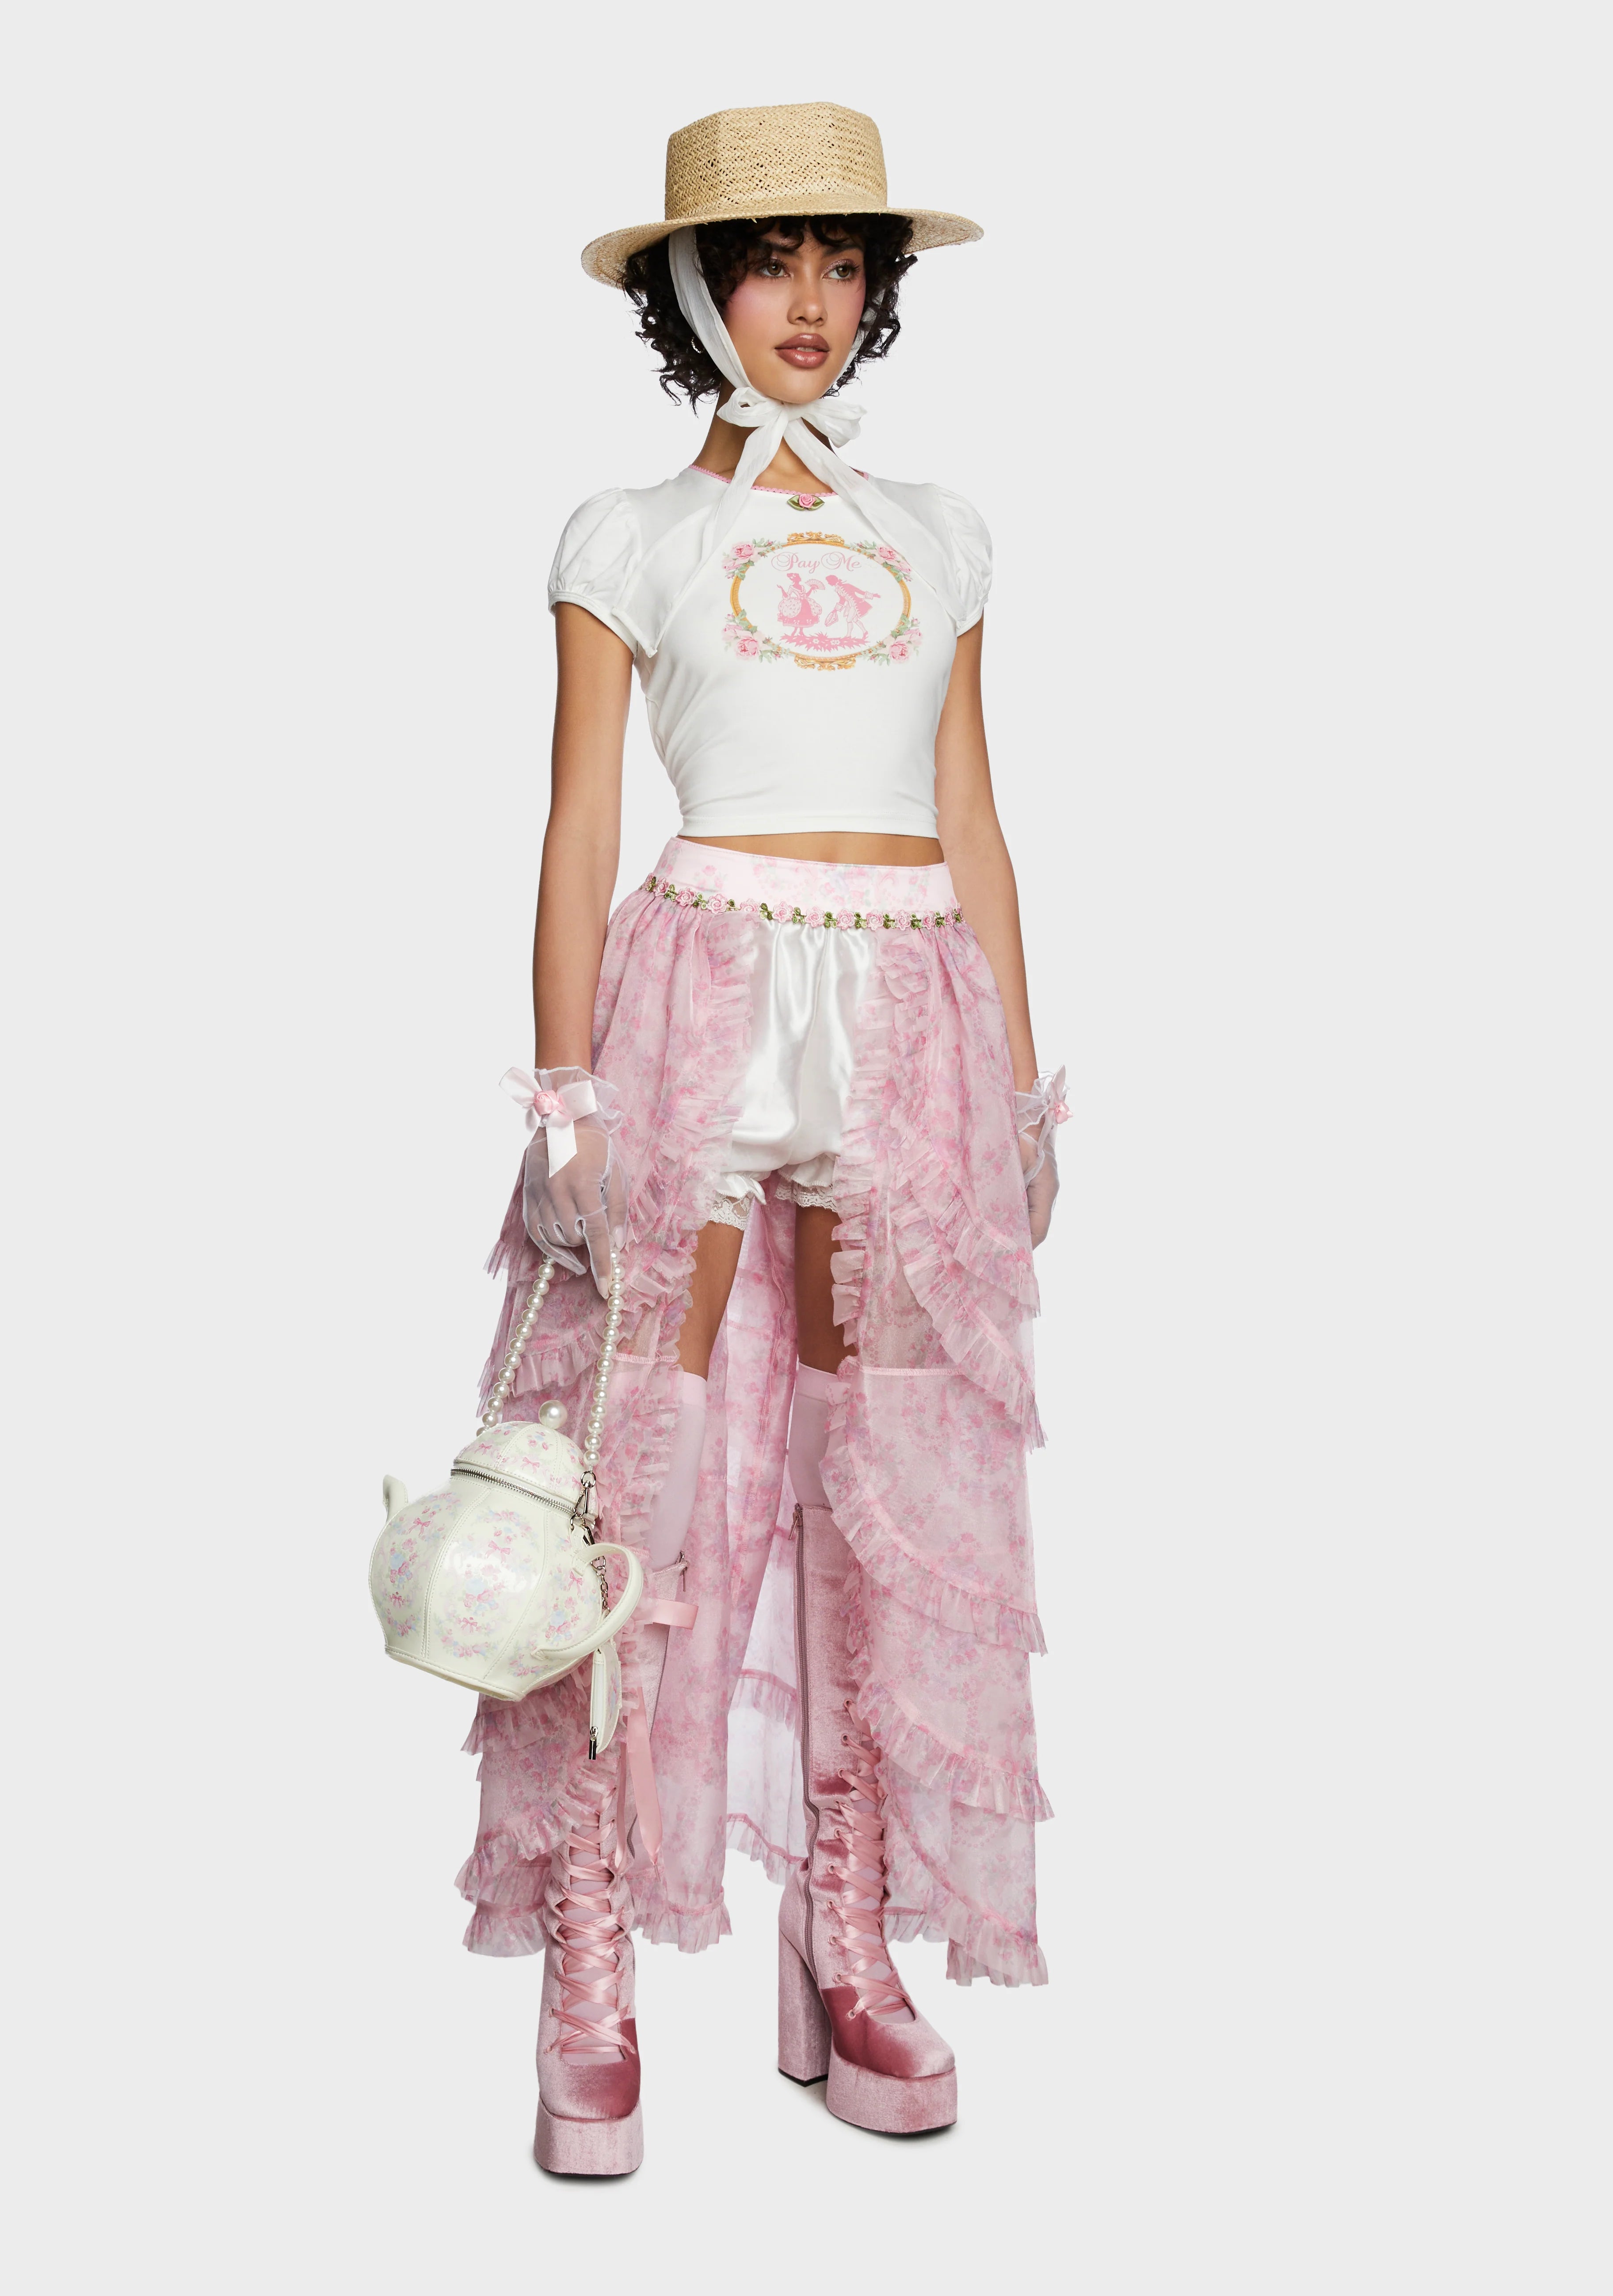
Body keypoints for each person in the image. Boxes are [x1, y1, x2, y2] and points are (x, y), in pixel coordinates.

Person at [458, 101, 1066, 2175]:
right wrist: (565, 1088)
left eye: (841, 263)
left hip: (904, 1013)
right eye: (767, 262)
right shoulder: (627, 535)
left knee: (869, 1476)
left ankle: (846, 1928)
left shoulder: (937, 534)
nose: (809, 302)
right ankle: (592, 1944)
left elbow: (970, 811)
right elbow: (579, 823)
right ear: (693, 293)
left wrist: (1019, 1088)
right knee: (641, 1471)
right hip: (706, 995)